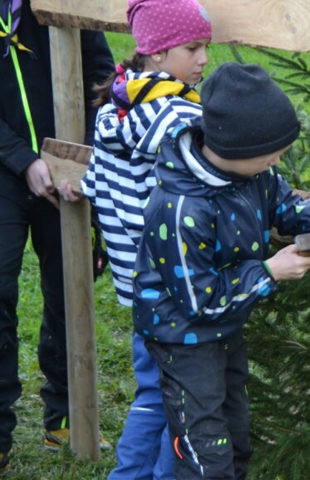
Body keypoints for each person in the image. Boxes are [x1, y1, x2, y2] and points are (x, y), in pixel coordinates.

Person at [133, 62, 310, 480]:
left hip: (226, 329)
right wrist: (270, 271)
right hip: (183, 339)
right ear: (235, 148)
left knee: (236, 437)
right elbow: (199, 301)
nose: (277, 160)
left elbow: (283, 204)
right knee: (206, 453)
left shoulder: (254, 174)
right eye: (270, 154)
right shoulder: (181, 209)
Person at [61, 0, 211, 478]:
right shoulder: (179, 118)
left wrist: (80, 187)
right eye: (194, 48)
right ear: (159, 53)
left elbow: (98, 179)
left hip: (137, 285)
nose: (204, 59)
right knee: (180, 398)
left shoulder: (115, 107)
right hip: (177, 282)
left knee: (152, 390)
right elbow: (216, 178)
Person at [0, 0, 113, 471]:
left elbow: (100, 75)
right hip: (4, 166)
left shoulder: (61, 1)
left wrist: (78, 156)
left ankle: (66, 411)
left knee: (70, 285)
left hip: (66, 169)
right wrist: (23, 160)